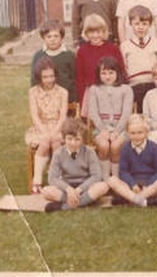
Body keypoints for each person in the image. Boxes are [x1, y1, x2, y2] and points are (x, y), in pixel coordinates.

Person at [42, 118, 109, 212]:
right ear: (64, 138)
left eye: (77, 139)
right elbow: (52, 178)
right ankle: (85, 202)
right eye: (69, 139)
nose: (73, 143)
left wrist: (79, 190)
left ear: (82, 140)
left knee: (103, 186)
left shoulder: (89, 152)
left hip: (85, 187)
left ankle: (65, 207)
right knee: (46, 191)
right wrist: (69, 189)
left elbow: (96, 176)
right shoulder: (58, 153)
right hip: (67, 187)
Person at [26, 58, 69, 193]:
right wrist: (45, 131)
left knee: (56, 141)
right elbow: (34, 115)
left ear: (55, 75)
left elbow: (63, 116)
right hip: (39, 127)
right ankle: (37, 178)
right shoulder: (33, 92)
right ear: (39, 77)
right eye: (45, 77)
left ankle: (55, 177)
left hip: (58, 125)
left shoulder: (63, 92)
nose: (49, 80)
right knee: (45, 140)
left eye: (51, 76)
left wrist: (54, 130)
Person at [88, 56, 134, 181]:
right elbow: (93, 112)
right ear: (99, 74)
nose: (107, 76)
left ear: (117, 73)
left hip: (122, 129)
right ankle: (105, 178)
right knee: (103, 146)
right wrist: (102, 130)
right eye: (103, 73)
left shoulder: (126, 89)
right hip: (100, 128)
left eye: (111, 72)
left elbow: (126, 114)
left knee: (115, 146)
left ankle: (115, 178)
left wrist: (116, 132)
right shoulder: (94, 89)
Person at [107, 114, 157, 207]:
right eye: (133, 133)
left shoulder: (154, 147)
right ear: (127, 133)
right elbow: (123, 171)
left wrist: (147, 185)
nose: (136, 136)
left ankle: (131, 199)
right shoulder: (125, 148)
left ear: (146, 132)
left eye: (140, 132)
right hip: (131, 185)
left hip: (149, 186)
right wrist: (133, 185)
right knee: (112, 180)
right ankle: (142, 201)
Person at [120, 5, 157, 112]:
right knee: (138, 113)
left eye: (144, 24)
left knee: (154, 112)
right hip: (134, 86)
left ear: (150, 25)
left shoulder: (156, 43)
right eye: (137, 24)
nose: (140, 27)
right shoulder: (125, 45)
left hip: (154, 84)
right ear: (130, 24)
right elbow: (123, 68)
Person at [75, 14, 124, 110]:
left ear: (104, 31)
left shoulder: (113, 49)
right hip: (91, 93)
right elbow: (80, 77)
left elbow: (121, 71)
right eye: (91, 32)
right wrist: (82, 100)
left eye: (98, 32)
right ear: (86, 33)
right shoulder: (82, 51)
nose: (95, 35)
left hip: (112, 91)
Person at [30, 19, 77, 103]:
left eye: (56, 36)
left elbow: (74, 78)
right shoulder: (38, 55)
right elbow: (34, 80)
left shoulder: (69, 55)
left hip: (66, 99)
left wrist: (74, 98)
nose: (52, 39)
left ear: (61, 37)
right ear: (43, 38)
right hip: (44, 99)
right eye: (49, 36)